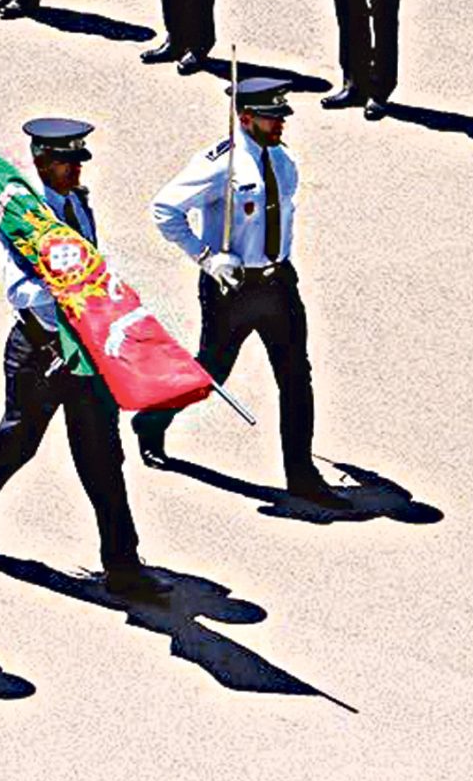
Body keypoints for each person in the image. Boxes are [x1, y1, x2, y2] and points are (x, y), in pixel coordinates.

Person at [0, 117, 164, 599]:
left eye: (78, 160)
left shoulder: (77, 203)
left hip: (85, 351)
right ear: (42, 162)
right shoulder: (26, 217)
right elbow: (19, 291)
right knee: (18, 441)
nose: (76, 170)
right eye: (66, 162)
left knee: (102, 456)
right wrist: (68, 288)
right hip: (39, 351)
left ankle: (123, 565)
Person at [132, 77, 342, 507]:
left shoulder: (283, 159)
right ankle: (152, 421)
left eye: (281, 116)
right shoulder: (221, 163)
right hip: (232, 288)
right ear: (245, 119)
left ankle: (301, 475)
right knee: (212, 371)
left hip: (278, 283)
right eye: (271, 118)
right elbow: (165, 208)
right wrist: (206, 257)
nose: (280, 123)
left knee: (296, 377)